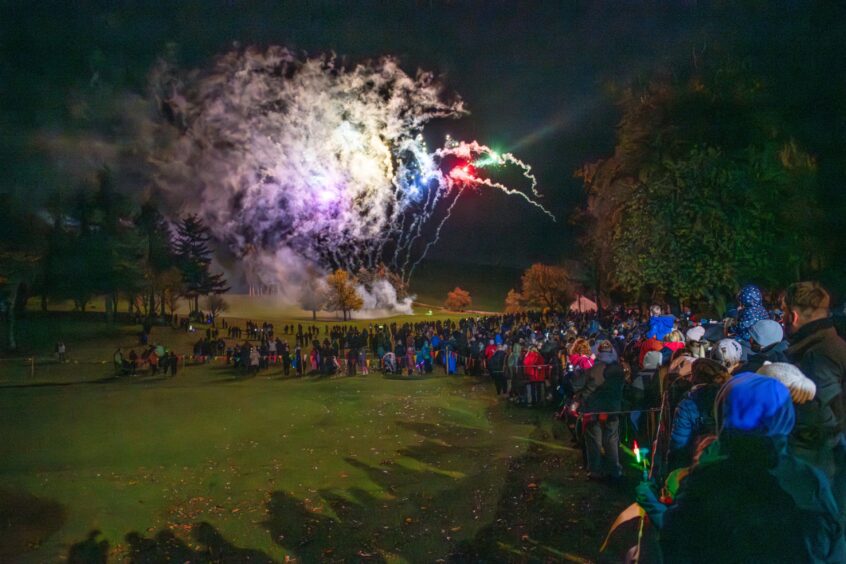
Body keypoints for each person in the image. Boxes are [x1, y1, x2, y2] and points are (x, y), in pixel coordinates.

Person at [640, 374, 846, 563]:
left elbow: (678, 542)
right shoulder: (808, 478)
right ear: (785, 415)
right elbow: (833, 547)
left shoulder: (708, 478)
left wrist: (652, 503)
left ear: (724, 411)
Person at [783, 281, 846, 517]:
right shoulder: (828, 344)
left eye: (783, 313)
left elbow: (826, 419)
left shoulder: (818, 355)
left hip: (821, 472)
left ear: (793, 316)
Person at [668, 358, 728, 470]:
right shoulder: (731, 396)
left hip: (698, 462)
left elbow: (679, 444)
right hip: (727, 460)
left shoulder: (688, 404)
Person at [580, 340, 625, 481]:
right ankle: (614, 469)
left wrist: (582, 400)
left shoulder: (595, 368)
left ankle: (596, 470)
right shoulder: (618, 369)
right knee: (611, 439)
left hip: (595, 409)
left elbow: (589, 388)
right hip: (613, 408)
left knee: (594, 439)